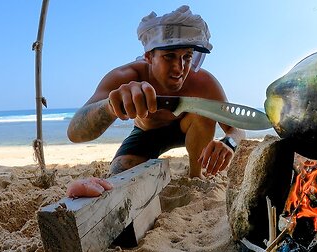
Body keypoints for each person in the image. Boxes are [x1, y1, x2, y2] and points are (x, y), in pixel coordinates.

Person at [66, 5, 245, 197]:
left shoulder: (204, 83)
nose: (180, 68)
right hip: (146, 133)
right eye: (169, 57)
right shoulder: (125, 77)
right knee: (121, 172)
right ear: (149, 56)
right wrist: (110, 107)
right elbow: (75, 133)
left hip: (189, 129)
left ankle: (195, 174)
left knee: (202, 112)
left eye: (187, 57)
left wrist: (229, 143)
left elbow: (237, 129)